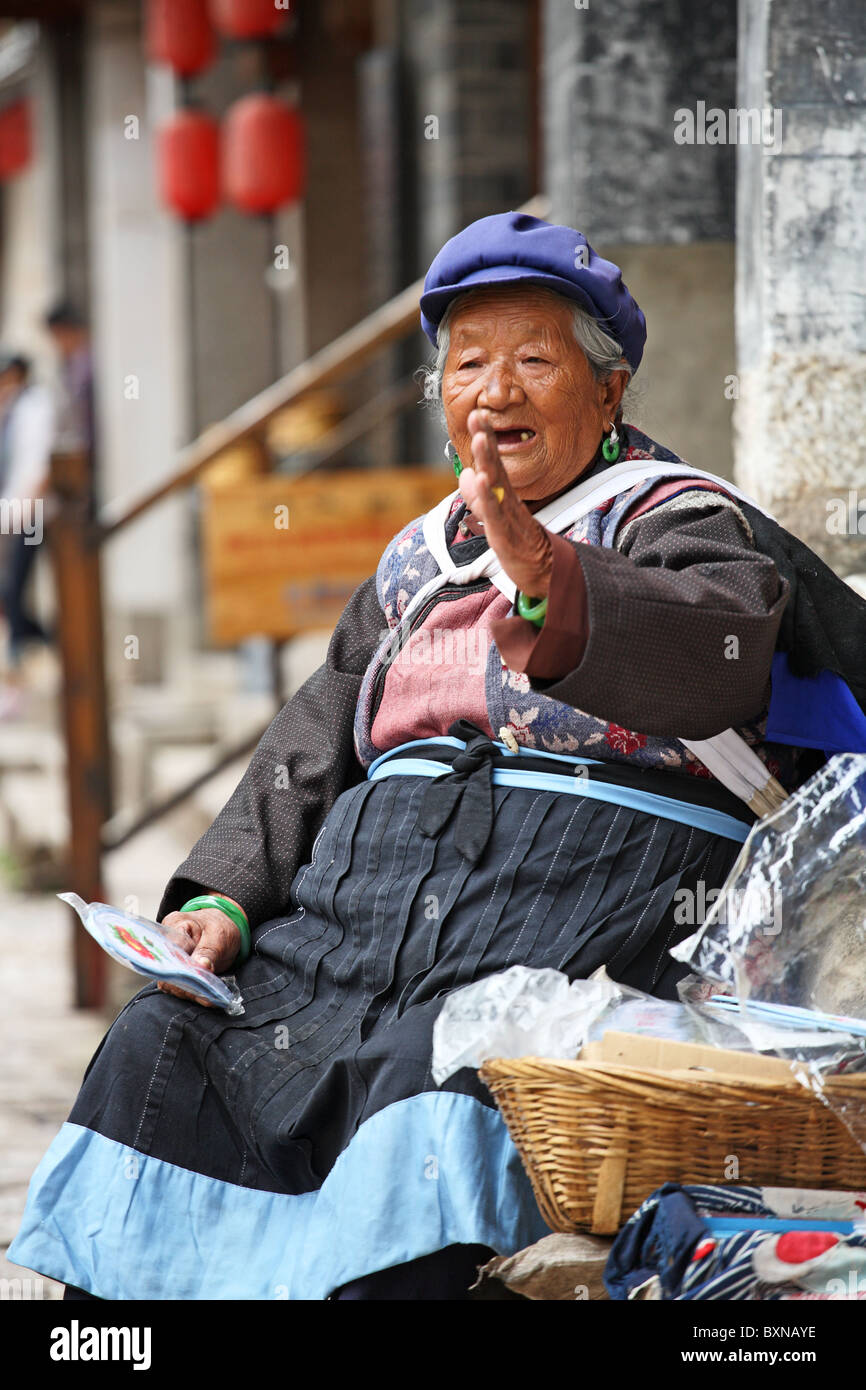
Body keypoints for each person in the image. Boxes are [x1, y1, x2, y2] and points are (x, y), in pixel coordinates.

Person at [9, 212, 857, 1300]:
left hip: (569, 911)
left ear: (607, 393)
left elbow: (720, 650)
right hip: (355, 924)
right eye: (466, 363)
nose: (493, 391)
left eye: (533, 360)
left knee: (436, 1077)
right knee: (161, 1046)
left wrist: (558, 586)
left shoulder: (675, 518)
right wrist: (224, 894)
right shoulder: (419, 557)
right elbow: (316, 730)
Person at [0, 352, 54, 718]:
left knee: (14, 591)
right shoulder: (13, 410)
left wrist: (19, 516)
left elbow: (37, 465)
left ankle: (35, 654)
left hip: (30, 517)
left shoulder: (36, 406)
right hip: (14, 515)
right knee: (13, 594)